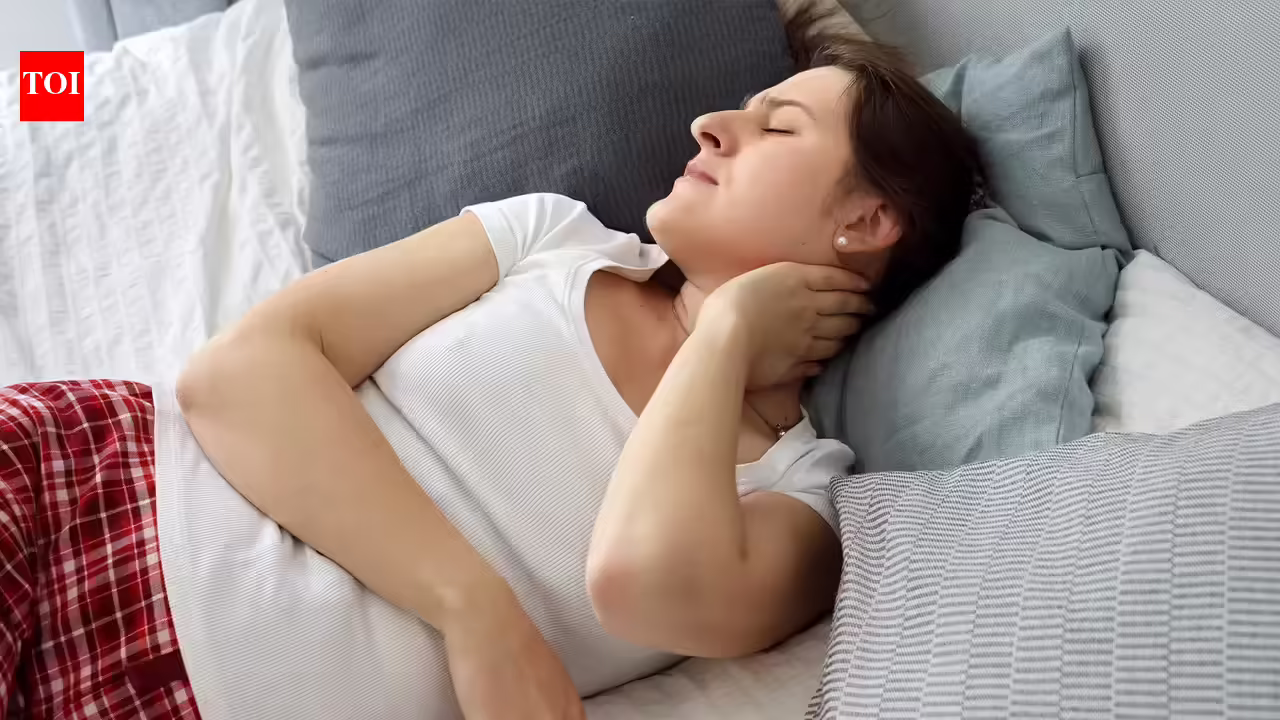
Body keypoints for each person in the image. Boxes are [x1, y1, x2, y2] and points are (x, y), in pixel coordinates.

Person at [0, 35, 983, 720]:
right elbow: (238, 375)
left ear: (866, 222)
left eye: (779, 128)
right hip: (88, 497)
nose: (709, 126)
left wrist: (721, 335)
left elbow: (644, 585)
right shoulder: (550, 238)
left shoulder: (803, 499)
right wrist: (471, 608)